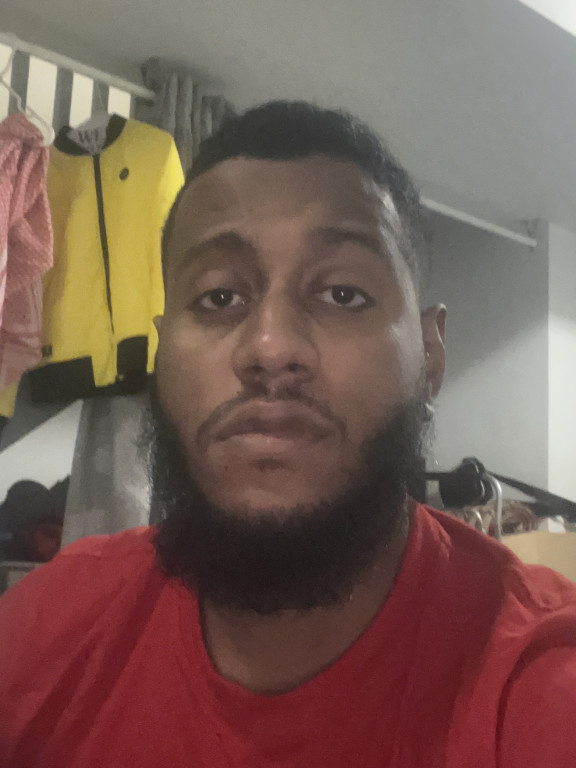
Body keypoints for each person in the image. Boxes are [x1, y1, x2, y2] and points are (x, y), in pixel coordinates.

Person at [1, 101, 575, 768]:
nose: (270, 347)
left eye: (343, 294)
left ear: (430, 355)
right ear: (162, 350)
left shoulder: (539, 684)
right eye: (219, 297)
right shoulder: (42, 630)